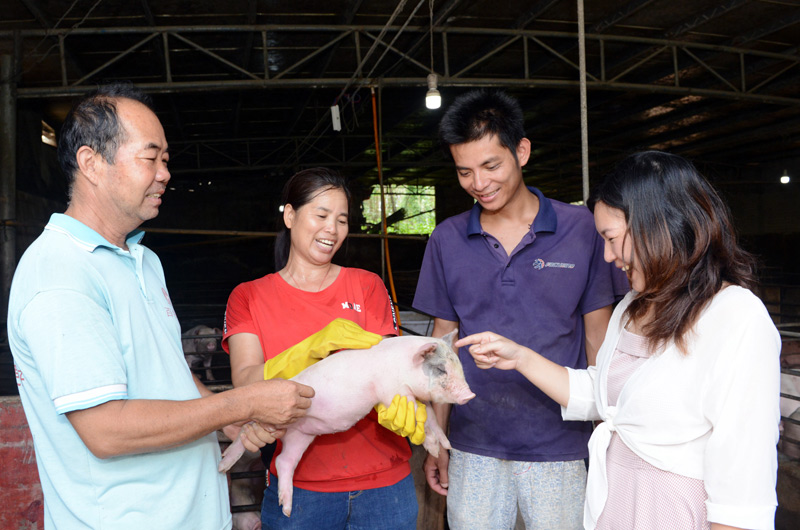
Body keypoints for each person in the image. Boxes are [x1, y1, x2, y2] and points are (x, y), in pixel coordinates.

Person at [6, 82, 315, 529]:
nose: (165, 173)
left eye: (165, 160)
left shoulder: (143, 259)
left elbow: (168, 370)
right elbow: (106, 430)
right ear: (91, 163)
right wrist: (241, 404)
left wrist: (228, 422)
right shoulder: (60, 273)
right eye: (150, 158)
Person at [459, 150, 781, 530]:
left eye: (612, 239)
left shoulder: (735, 316)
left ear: (660, 226)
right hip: (616, 506)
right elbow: (604, 396)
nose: (609, 256)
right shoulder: (632, 306)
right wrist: (520, 357)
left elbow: (743, 487)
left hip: (673, 513)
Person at [412, 89, 628, 529]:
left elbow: (598, 339)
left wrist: (611, 434)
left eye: (492, 165)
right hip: (474, 444)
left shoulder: (582, 229)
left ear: (522, 151)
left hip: (561, 446)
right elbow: (442, 347)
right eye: (465, 172)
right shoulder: (447, 240)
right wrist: (437, 438)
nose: (479, 183)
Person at [223, 167, 425, 529]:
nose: (332, 229)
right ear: (289, 215)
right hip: (301, 489)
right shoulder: (249, 296)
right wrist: (309, 348)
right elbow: (245, 383)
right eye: (321, 215)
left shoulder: (367, 285)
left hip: (384, 485)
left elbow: (393, 369)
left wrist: (406, 400)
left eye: (342, 220)